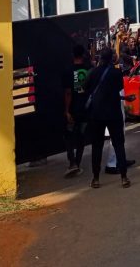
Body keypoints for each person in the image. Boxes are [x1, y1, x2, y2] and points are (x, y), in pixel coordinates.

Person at [84, 48, 136, 188]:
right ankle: (124, 177)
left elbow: (85, 87)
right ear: (111, 58)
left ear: (100, 58)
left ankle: (95, 179)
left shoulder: (92, 72)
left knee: (97, 146)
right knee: (118, 144)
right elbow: (118, 88)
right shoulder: (116, 72)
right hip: (113, 112)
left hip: (97, 114)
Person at [63, 44, 91, 178]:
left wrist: (67, 110)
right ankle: (77, 163)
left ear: (73, 55)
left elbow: (68, 92)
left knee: (69, 136)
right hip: (85, 109)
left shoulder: (68, 70)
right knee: (81, 136)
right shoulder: (88, 69)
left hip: (73, 109)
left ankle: (72, 162)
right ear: (83, 55)